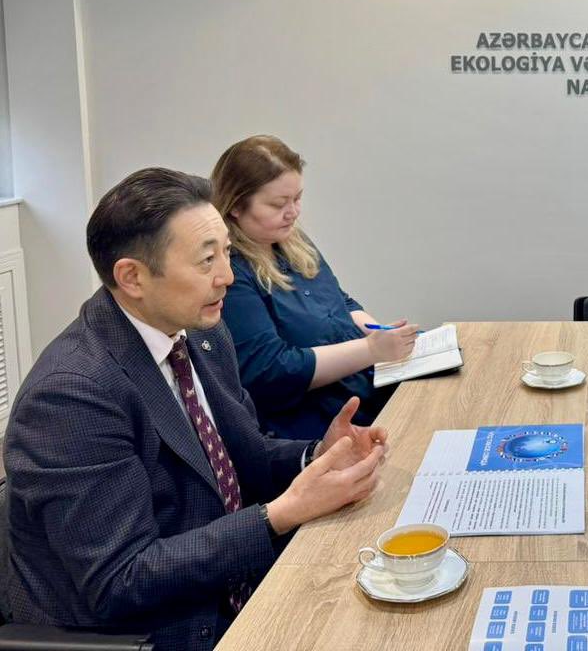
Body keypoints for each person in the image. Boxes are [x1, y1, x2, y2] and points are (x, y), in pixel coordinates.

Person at [4, 168, 388, 650]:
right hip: (159, 630)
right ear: (132, 277)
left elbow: (243, 454)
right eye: (207, 260)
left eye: (226, 251)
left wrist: (315, 456)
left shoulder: (201, 333)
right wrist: (280, 514)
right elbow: (120, 580)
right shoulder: (72, 396)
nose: (227, 276)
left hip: (232, 580)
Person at [211, 135, 418, 439]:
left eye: (297, 198)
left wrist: (378, 331)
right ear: (236, 207)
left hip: (365, 390)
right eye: (278, 204)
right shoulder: (233, 274)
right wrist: (371, 349)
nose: (293, 212)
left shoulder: (292, 241)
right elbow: (272, 370)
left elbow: (340, 302)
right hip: (317, 424)